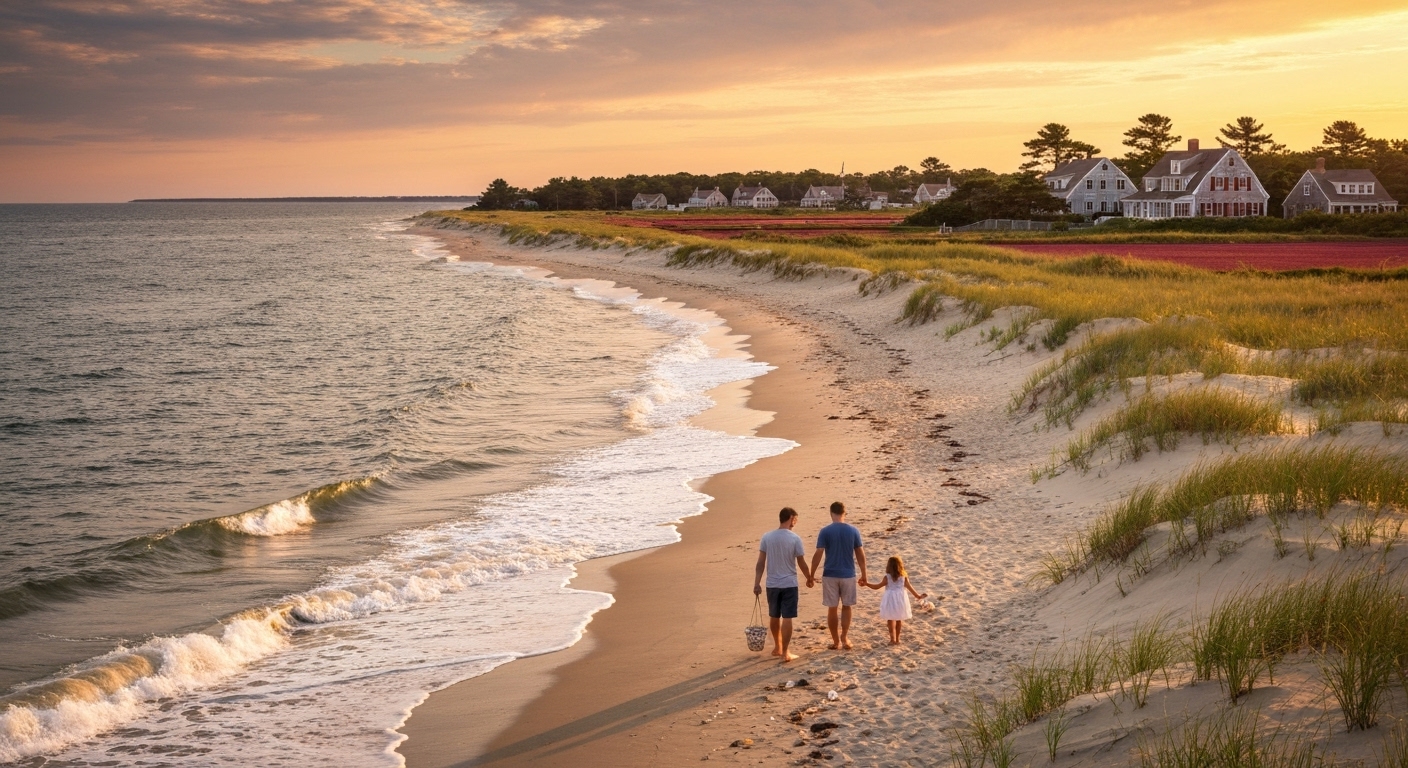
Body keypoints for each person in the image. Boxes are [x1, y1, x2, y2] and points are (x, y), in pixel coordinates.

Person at [754, 507, 813, 662]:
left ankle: (777, 647)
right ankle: (786, 652)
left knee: (774, 615)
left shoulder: (767, 537)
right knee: (787, 618)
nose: (796, 523)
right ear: (791, 518)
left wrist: (757, 583)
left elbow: (760, 563)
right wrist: (809, 578)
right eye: (796, 520)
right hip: (789, 583)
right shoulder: (795, 538)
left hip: (772, 583)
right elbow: (801, 562)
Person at [808, 501, 866, 650]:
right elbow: (860, 553)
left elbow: (818, 553)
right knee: (846, 607)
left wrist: (811, 574)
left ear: (831, 513)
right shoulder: (853, 531)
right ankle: (845, 637)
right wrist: (864, 574)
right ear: (844, 513)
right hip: (848, 574)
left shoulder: (825, 531)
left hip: (830, 574)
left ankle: (835, 641)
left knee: (832, 608)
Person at [863, 555, 927, 645]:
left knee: (890, 619)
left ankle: (892, 639)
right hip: (900, 600)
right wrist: (919, 596)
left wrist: (866, 584)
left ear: (888, 566)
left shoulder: (887, 577)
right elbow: (911, 589)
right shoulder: (904, 578)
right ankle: (897, 639)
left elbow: (877, 586)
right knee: (898, 619)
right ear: (900, 566)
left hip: (890, 599)